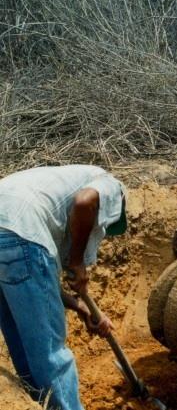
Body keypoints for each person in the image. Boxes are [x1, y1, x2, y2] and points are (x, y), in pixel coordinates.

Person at [0, 164, 127, 410]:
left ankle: (37, 405)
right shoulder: (110, 184)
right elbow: (84, 202)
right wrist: (77, 261)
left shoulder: (50, 192)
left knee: (22, 342)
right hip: (19, 231)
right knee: (50, 353)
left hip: (10, 230)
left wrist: (81, 307)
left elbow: (37, 284)